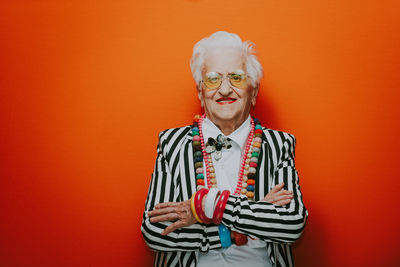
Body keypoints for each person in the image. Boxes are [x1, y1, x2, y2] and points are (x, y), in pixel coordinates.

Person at [141, 31, 308, 267]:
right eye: (213, 79)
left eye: (237, 78)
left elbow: (291, 225)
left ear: (254, 92)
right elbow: (154, 230)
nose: (225, 89)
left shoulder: (279, 144)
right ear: (200, 92)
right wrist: (255, 217)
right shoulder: (172, 143)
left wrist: (205, 206)